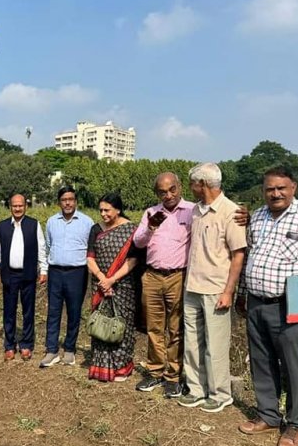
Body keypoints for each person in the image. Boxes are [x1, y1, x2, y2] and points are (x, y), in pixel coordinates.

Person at [236, 167, 298, 446]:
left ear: (294, 188)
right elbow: (249, 256)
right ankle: (267, 415)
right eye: (269, 189)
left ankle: (296, 423)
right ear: (263, 191)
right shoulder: (259, 216)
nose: (275, 193)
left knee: (293, 366)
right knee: (261, 360)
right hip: (257, 300)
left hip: (292, 304)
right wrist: (243, 294)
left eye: (281, 188)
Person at [178, 163, 247, 413]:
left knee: (216, 344)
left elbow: (238, 254)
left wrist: (229, 291)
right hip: (193, 286)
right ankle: (196, 389)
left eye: (193, 184)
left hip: (216, 289)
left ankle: (220, 393)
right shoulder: (196, 211)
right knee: (192, 342)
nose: (191, 188)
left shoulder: (231, 212)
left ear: (202, 184)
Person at [133, 172, 195, 398]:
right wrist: (150, 228)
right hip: (152, 276)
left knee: (176, 329)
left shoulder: (191, 211)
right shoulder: (151, 213)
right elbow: (138, 242)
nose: (168, 195)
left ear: (180, 188)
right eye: (162, 192)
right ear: (157, 193)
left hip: (177, 276)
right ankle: (155, 371)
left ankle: (173, 375)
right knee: (153, 327)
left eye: (172, 189)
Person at [86, 193, 140, 382]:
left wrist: (112, 280)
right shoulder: (96, 229)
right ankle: (101, 365)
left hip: (123, 285)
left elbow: (133, 260)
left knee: (121, 324)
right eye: (100, 210)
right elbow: (90, 257)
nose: (103, 214)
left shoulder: (131, 229)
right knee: (101, 322)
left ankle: (121, 366)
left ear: (118, 209)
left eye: (107, 210)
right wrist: (102, 279)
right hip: (100, 285)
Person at [41, 186, 95, 368]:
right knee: (53, 311)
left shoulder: (87, 222)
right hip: (55, 271)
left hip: (77, 273)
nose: (68, 203)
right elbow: (48, 245)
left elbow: (91, 248)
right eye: (64, 200)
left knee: (74, 311)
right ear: (59, 202)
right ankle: (51, 350)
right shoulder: (51, 222)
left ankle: (69, 349)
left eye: (71, 199)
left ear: (76, 201)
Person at [0, 193, 48, 361]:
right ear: (10, 207)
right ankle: (9, 345)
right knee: (9, 311)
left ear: (25, 206)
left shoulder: (34, 225)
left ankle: (26, 344)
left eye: (20, 205)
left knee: (28, 311)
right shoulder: (2, 226)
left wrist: (43, 270)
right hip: (9, 274)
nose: (17, 208)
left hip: (28, 273)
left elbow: (41, 248)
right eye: (14, 205)